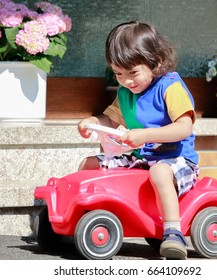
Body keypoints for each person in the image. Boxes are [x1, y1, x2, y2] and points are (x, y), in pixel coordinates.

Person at [77, 20, 199, 260]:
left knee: (160, 173)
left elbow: (184, 128)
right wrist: (90, 122)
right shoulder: (125, 94)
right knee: (89, 164)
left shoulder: (169, 87)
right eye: (118, 74)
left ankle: (173, 232)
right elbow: (110, 120)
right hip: (142, 158)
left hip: (177, 160)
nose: (126, 81)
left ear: (156, 62)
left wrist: (144, 135)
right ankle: (88, 217)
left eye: (133, 72)